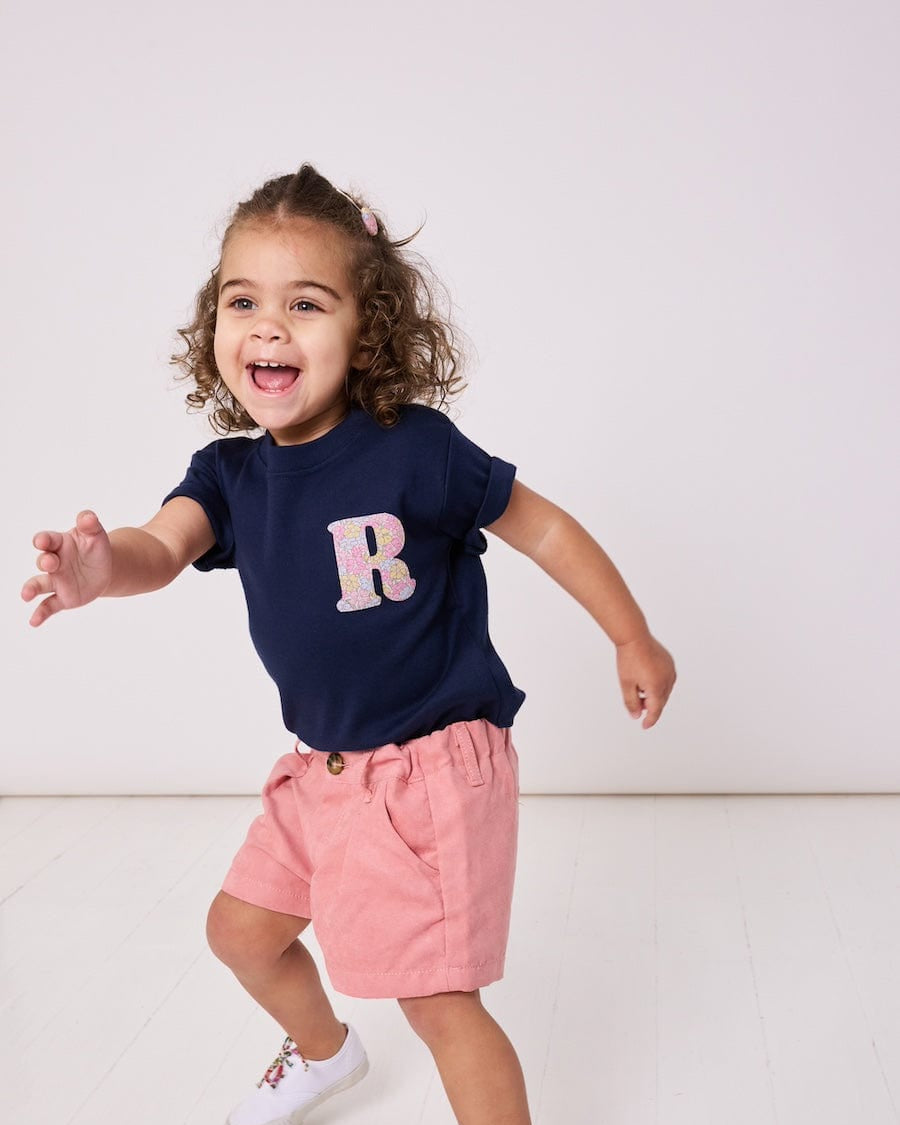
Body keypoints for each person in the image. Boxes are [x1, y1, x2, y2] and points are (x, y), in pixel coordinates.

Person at [21, 163, 676, 1125]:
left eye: (307, 303)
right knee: (240, 930)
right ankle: (326, 1053)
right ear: (216, 327)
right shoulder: (231, 474)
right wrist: (95, 570)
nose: (270, 326)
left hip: (432, 773)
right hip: (323, 772)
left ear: (366, 332)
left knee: (440, 1000)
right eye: (244, 300)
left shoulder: (415, 448)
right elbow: (160, 548)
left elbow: (541, 528)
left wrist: (632, 634)